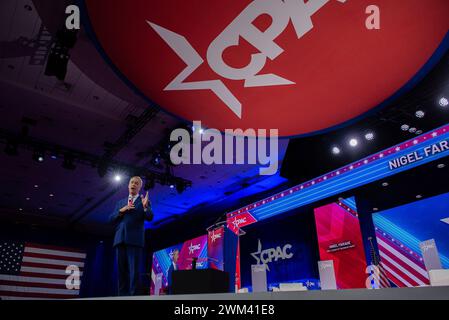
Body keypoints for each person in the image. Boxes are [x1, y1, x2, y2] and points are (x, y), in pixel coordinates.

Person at [109, 176, 154, 296]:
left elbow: (150, 217)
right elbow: (110, 219)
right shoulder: (120, 202)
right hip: (120, 239)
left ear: (140, 187)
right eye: (132, 182)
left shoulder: (143, 201)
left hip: (134, 240)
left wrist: (145, 207)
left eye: (136, 183)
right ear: (128, 185)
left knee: (134, 272)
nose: (133, 184)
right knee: (121, 272)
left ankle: (133, 297)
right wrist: (121, 211)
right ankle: (122, 297)